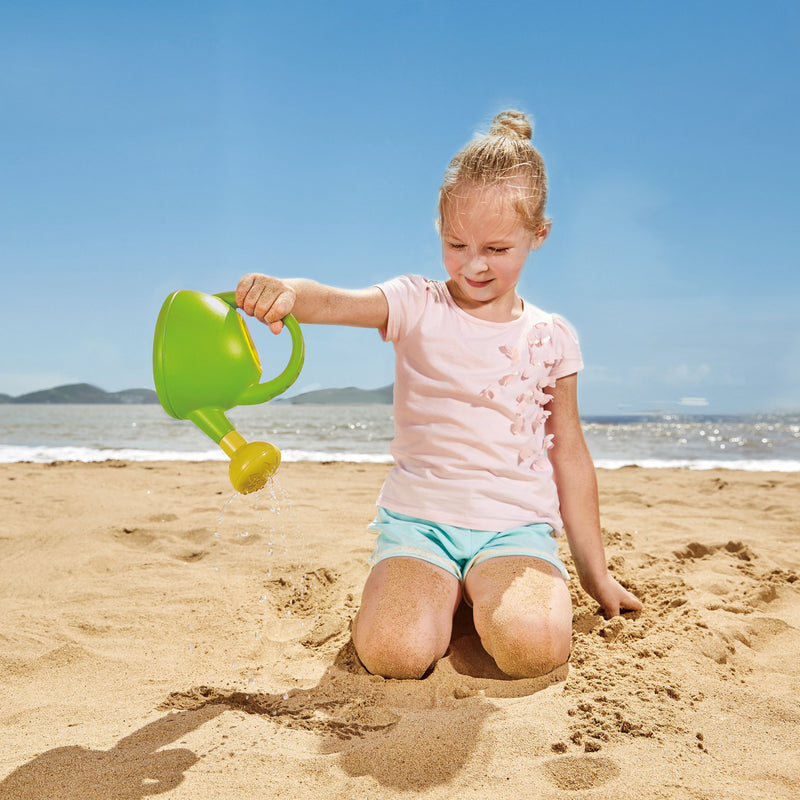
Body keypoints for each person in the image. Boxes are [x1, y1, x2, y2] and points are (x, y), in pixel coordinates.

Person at [235, 110, 642, 680]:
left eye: (498, 249)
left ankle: (482, 592)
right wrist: (282, 291)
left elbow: (569, 453)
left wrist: (595, 574)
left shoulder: (551, 337)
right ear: (439, 229)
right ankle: (436, 591)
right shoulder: (415, 303)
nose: (474, 265)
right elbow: (331, 301)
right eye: (457, 244)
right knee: (393, 654)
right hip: (419, 523)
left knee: (534, 651)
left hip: (514, 526)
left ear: (538, 235)